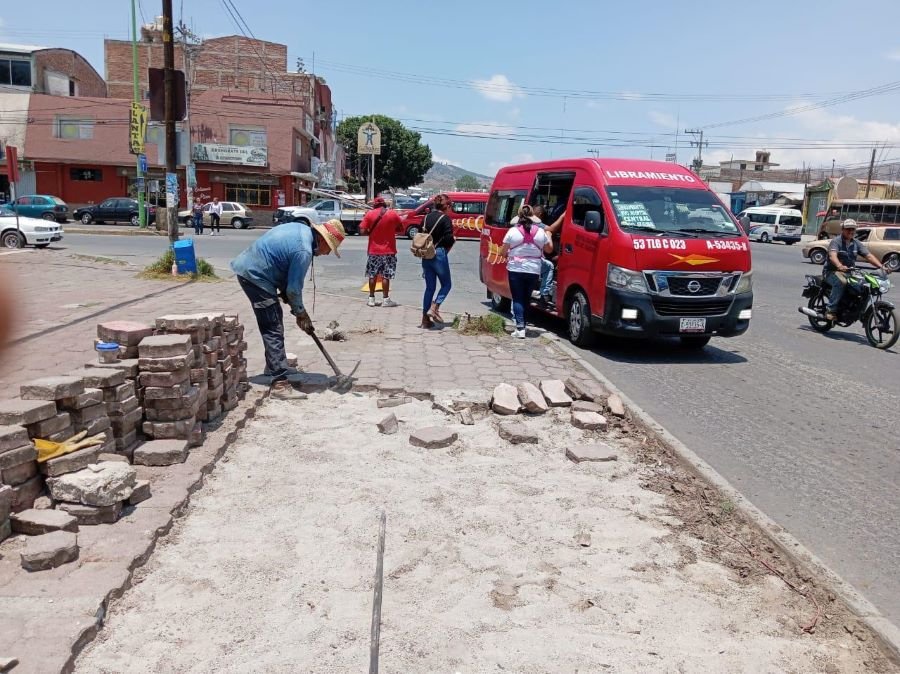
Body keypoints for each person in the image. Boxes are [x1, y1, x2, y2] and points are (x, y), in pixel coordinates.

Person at [230, 218, 346, 398]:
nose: (327, 253)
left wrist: (294, 306)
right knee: (272, 325)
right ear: (322, 239)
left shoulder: (301, 230)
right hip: (255, 276)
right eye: (330, 248)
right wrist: (301, 313)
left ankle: (274, 367)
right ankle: (279, 384)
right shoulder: (304, 251)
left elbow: (285, 271)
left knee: (274, 319)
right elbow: (293, 289)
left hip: (255, 270)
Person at [501, 205, 553, 338]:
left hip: (516, 269)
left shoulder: (513, 231)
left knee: (517, 298)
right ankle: (523, 325)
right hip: (534, 269)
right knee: (526, 298)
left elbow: (502, 252)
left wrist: (510, 253)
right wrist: (549, 235)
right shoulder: (540, 232)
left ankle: (520, 328)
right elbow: (548, 250)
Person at [823, 218, 888, 320]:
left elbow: (868, 256)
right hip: (831, 272)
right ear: (842, 229)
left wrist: (881, 266)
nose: (851, 231)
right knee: (841, 282)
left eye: (853, 229)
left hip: (849, 272)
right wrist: (839, 266)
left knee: (865, 287)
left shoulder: (856, 243)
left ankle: (859, 311)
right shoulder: (836, 242)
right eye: (848, 229)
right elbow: (832, 256)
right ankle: (831, 310)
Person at [420, 194, 455, 328]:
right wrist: (452, 241)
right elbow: (448, 238)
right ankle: (435, 307)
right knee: (446, 284)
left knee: (430, 287)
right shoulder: (445, 219)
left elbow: (420, 234)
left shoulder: (426, 217)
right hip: (438, 253)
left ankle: (425, 320)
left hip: (425, 254)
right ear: (446, 206)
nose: (451, 208)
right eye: (450, 206)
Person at [359, 196, 400, 308]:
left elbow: (362, 231)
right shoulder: (392, 214)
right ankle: (386, 300)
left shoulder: (369, 214)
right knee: (386, 275)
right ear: (384, 205)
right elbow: (400, 229)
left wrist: (371, 233)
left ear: (375, 205)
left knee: (372, 274)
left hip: (373, 250)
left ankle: (371, 299)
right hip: (389, 250)